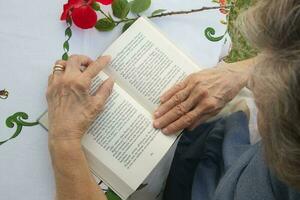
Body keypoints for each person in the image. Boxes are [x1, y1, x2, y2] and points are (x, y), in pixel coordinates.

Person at [46, 0, 300, 200]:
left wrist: (64, 139)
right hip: (224, 149)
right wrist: (243, 71)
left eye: (265, 96)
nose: (258, 82)